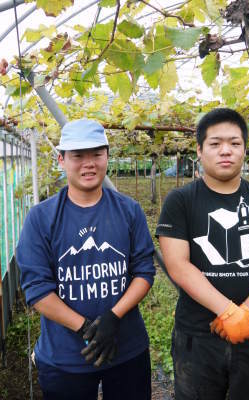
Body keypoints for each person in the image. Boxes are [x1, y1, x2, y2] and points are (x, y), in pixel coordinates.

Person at [156, 108, 249, 400]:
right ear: (200, 151)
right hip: (198, 335)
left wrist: (247, 312)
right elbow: (177, 264)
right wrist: (227, 311)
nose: (225, 151)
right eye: (215, 144)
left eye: (234, 143)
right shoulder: (180, 200)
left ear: (245, 149)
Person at [16, 118, 155, 400]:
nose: (88, 163)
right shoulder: (41, 218)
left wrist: (113, 318)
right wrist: (83, 327)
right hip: (65, 356)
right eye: (78, 155)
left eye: (96, 154)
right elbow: (37, 289)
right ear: (62, 160)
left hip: (126, 348)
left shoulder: (129, 210)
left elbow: (143, 271)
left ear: (107, 156)